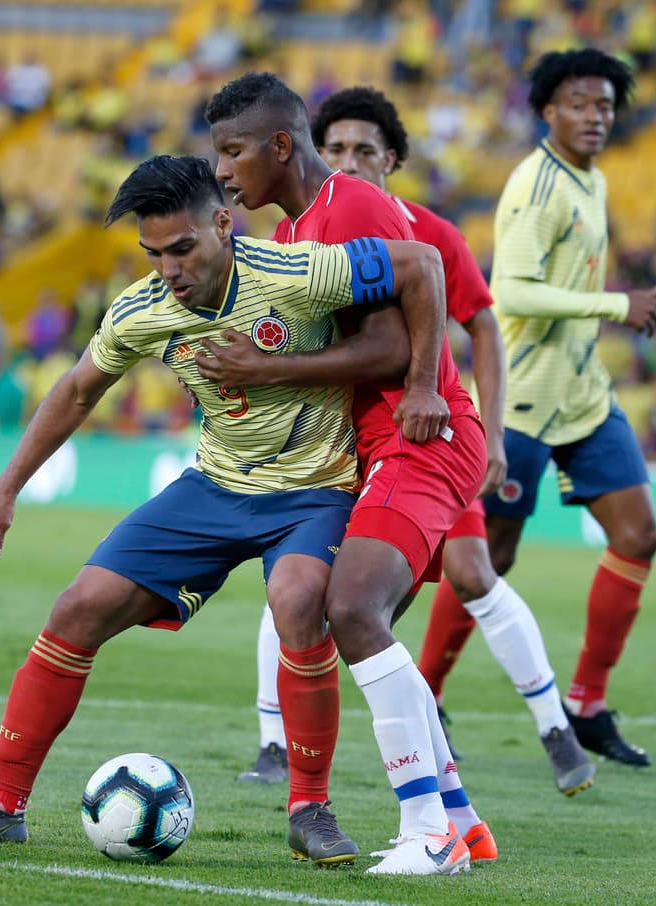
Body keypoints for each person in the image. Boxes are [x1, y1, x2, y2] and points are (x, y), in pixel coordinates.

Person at [0, 155, 450, 868]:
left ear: (223, 224)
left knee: (297, 601)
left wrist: (422, 384)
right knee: (77, 608)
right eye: (154, 253)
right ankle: (0, 807)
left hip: (314, 492)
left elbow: (422, 266)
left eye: (183, 248)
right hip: (213, 488)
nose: (170, 268)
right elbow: (76, 391)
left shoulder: (296, 273)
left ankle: (310, 809)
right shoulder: (142, 309)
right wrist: (4, 491)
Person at [231, 85, 595, 797]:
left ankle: (550, 730)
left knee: (464, 574)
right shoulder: (292, 236)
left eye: (365, 149)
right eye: (336, 148)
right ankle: (285, 744)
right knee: (306, 585)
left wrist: (490, 431)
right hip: (356, 447)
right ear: (311, 151)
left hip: (424, 433)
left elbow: (481, 326)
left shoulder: (426, 231)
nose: (349, 160)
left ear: (390, 159)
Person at [206, 72, 489, 875]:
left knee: (353, 608)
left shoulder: (351, 205)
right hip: (377, 446)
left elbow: (399, 331)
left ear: (279, 147)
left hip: (416, 432)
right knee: (363, 616)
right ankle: (461, 820)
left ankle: (427, 832)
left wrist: (427, 384)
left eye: (233, 152)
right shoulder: (296, 235)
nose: (223, 171)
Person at [434, 48, 656, 767]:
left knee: (639, 535)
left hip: (583, 391)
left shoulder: (589, 180)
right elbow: (516, 291)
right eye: (578, 104)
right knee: (489, 554)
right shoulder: (536, 186)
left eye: (603, 105)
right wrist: (615, 304)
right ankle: (424, 692)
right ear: (548, 111)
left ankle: (587, 703)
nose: (594, 116)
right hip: (525, 397)